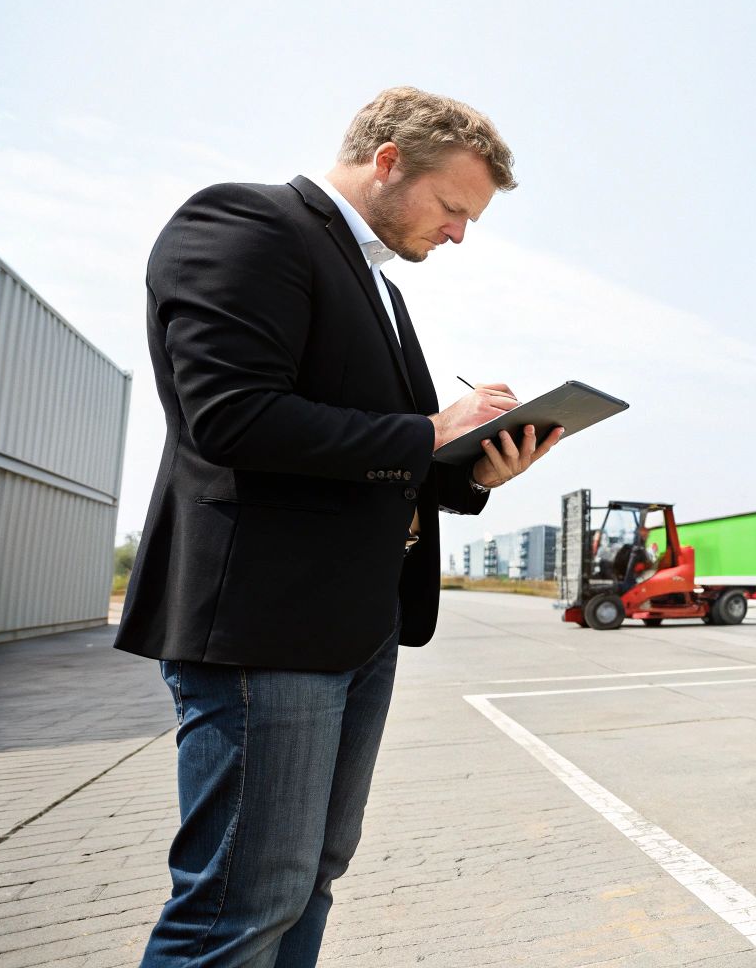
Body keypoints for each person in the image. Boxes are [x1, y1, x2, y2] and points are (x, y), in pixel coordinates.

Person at [116, 86, 563, 968]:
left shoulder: (382, 294)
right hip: (266, 626)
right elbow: (232, 417)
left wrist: (469, 469)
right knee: (241, 904)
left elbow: (366, 463)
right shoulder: (247, 224)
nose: (459, 235)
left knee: (311, 876)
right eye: (452, 208)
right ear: (388, 160)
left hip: (357, 628)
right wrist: (431, 429)